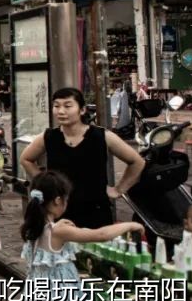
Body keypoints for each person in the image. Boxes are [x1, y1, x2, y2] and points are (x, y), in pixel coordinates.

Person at [17, 171, 144, 301]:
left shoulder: (33, 226)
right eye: (66, 199)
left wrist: (59, 226)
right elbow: (100, 235)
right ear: (58, 200)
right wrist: (130, 225)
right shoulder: (58, 231)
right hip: (59, 296)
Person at [20, 88, 145, 229]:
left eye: (67, 106)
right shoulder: (49, 137)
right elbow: (26, 159)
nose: (61, 111)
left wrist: (118, 189)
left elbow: (137, 162)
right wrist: (47, 184)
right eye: (56, 106)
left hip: (96, 212)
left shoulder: (101, 136)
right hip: (60, 212)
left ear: (82, 110)